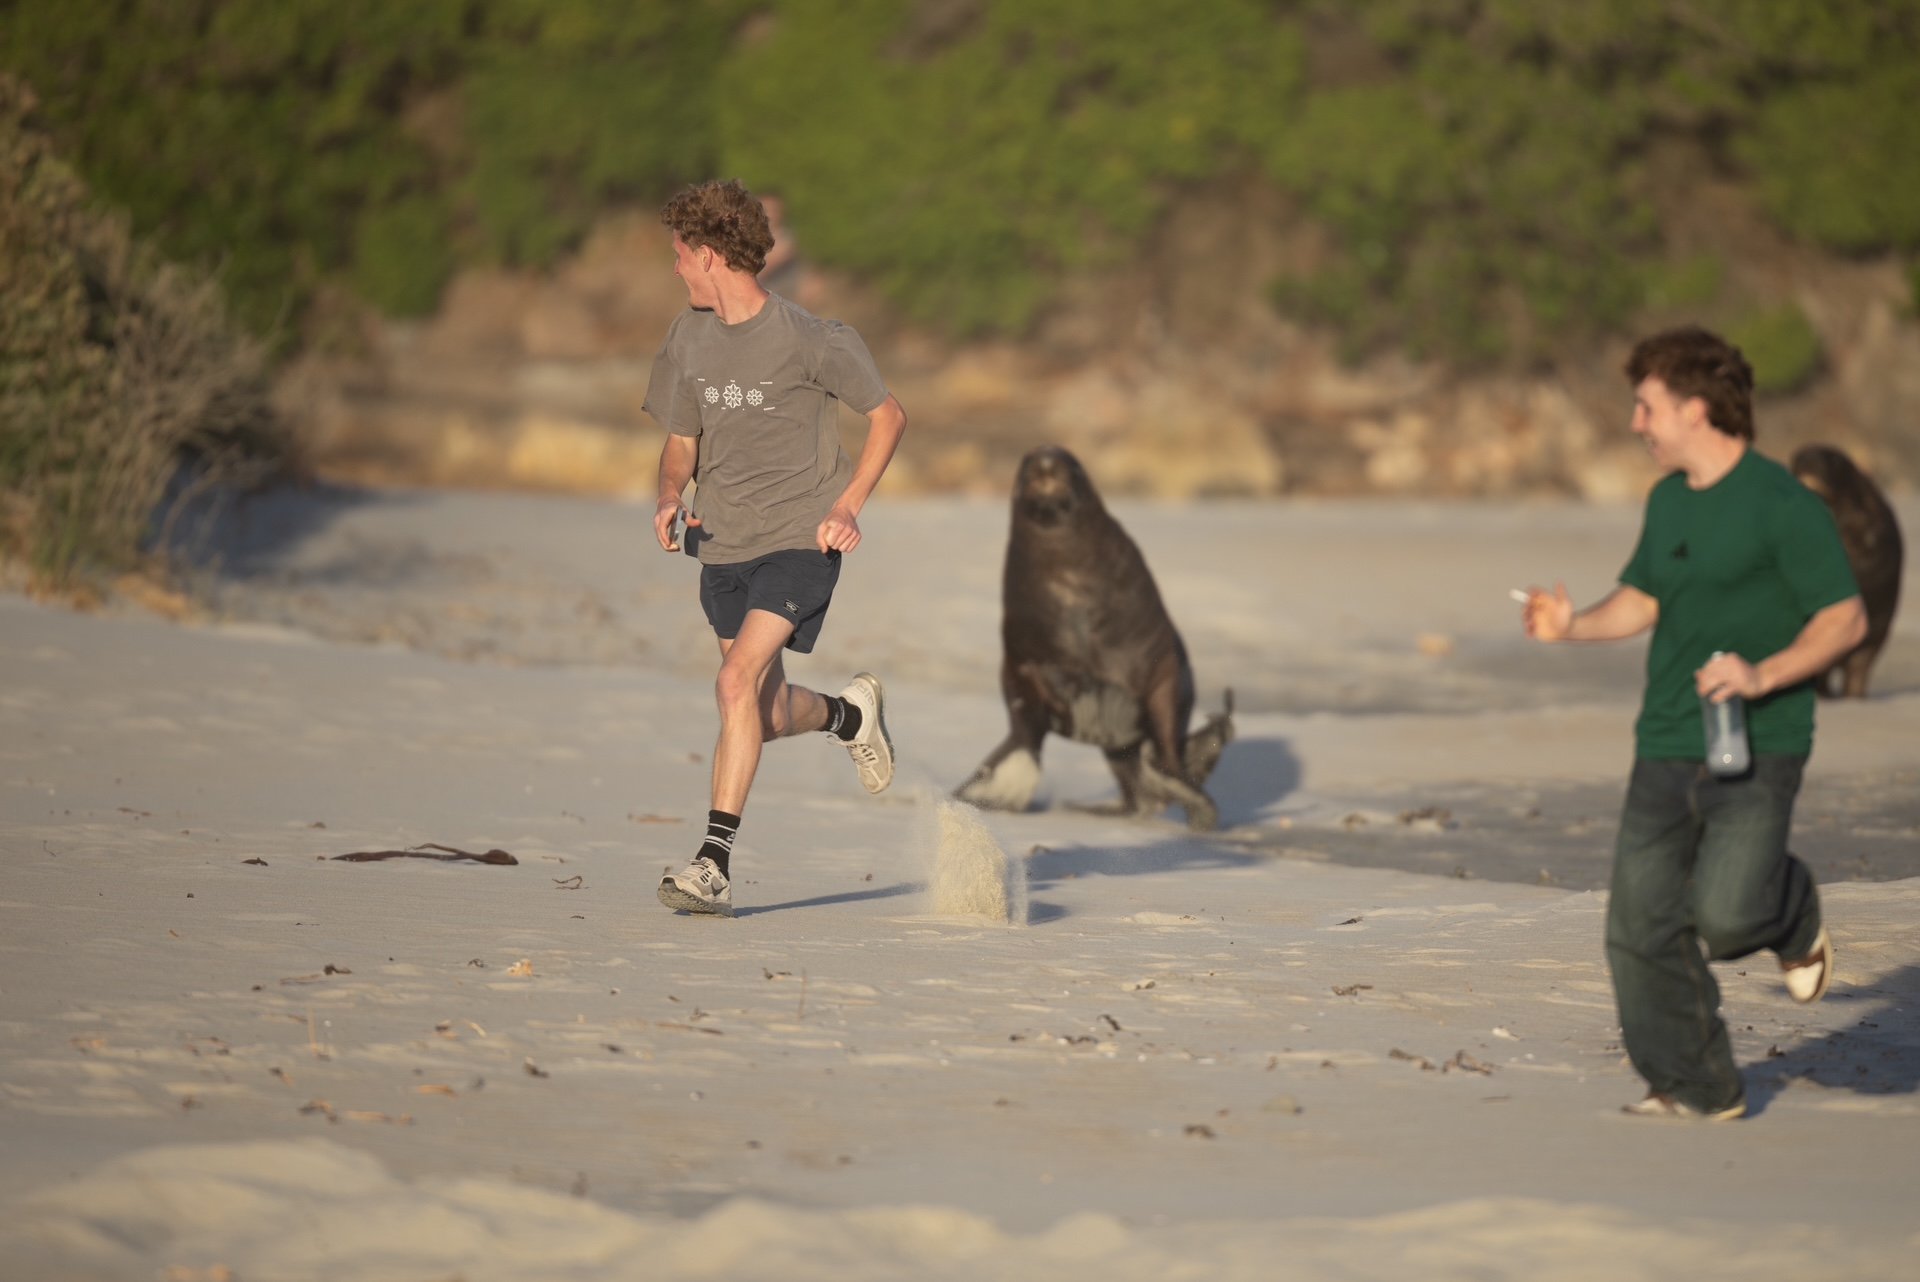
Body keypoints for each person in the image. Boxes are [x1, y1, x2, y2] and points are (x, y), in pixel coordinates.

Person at [1520, 325, 1866, 1120]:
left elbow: (1843, 621)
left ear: (1697, 408)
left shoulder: (1782, 505)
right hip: (1667, 742)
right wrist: (1570, 626)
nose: (1636, 423)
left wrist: (1760, 674)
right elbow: (1643, 601)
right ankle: (1696, 1085)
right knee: (1637, 929)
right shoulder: (1669, 500)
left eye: (1647, 407)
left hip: (1761, 745)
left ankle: (1793, 906)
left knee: (1729, 912)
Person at [642, 179, 907, 918]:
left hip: (800, 541)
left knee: (730, 686)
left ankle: (712, 864)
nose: (674, 270)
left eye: (680, 256)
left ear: (712, 255)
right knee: (757, 709)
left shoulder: (808, 338)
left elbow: (888, 417)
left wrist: (848, 505)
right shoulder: (685, 339)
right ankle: (849, 717)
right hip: (722, 544)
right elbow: (679, 443)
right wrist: (669, 494)